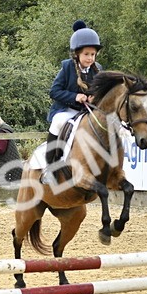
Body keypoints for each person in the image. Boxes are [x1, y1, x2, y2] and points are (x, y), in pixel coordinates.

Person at [44, 20, 102, 182]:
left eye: (93, 54)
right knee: (58, 122)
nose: (90, 58)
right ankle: (50, 167)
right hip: (66, 110)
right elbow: (54, 91)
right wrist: (75, 96)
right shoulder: (67, 67)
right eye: (86, 54)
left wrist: (94, 97)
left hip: (87, 111)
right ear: (77, 54)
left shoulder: (98, 69)